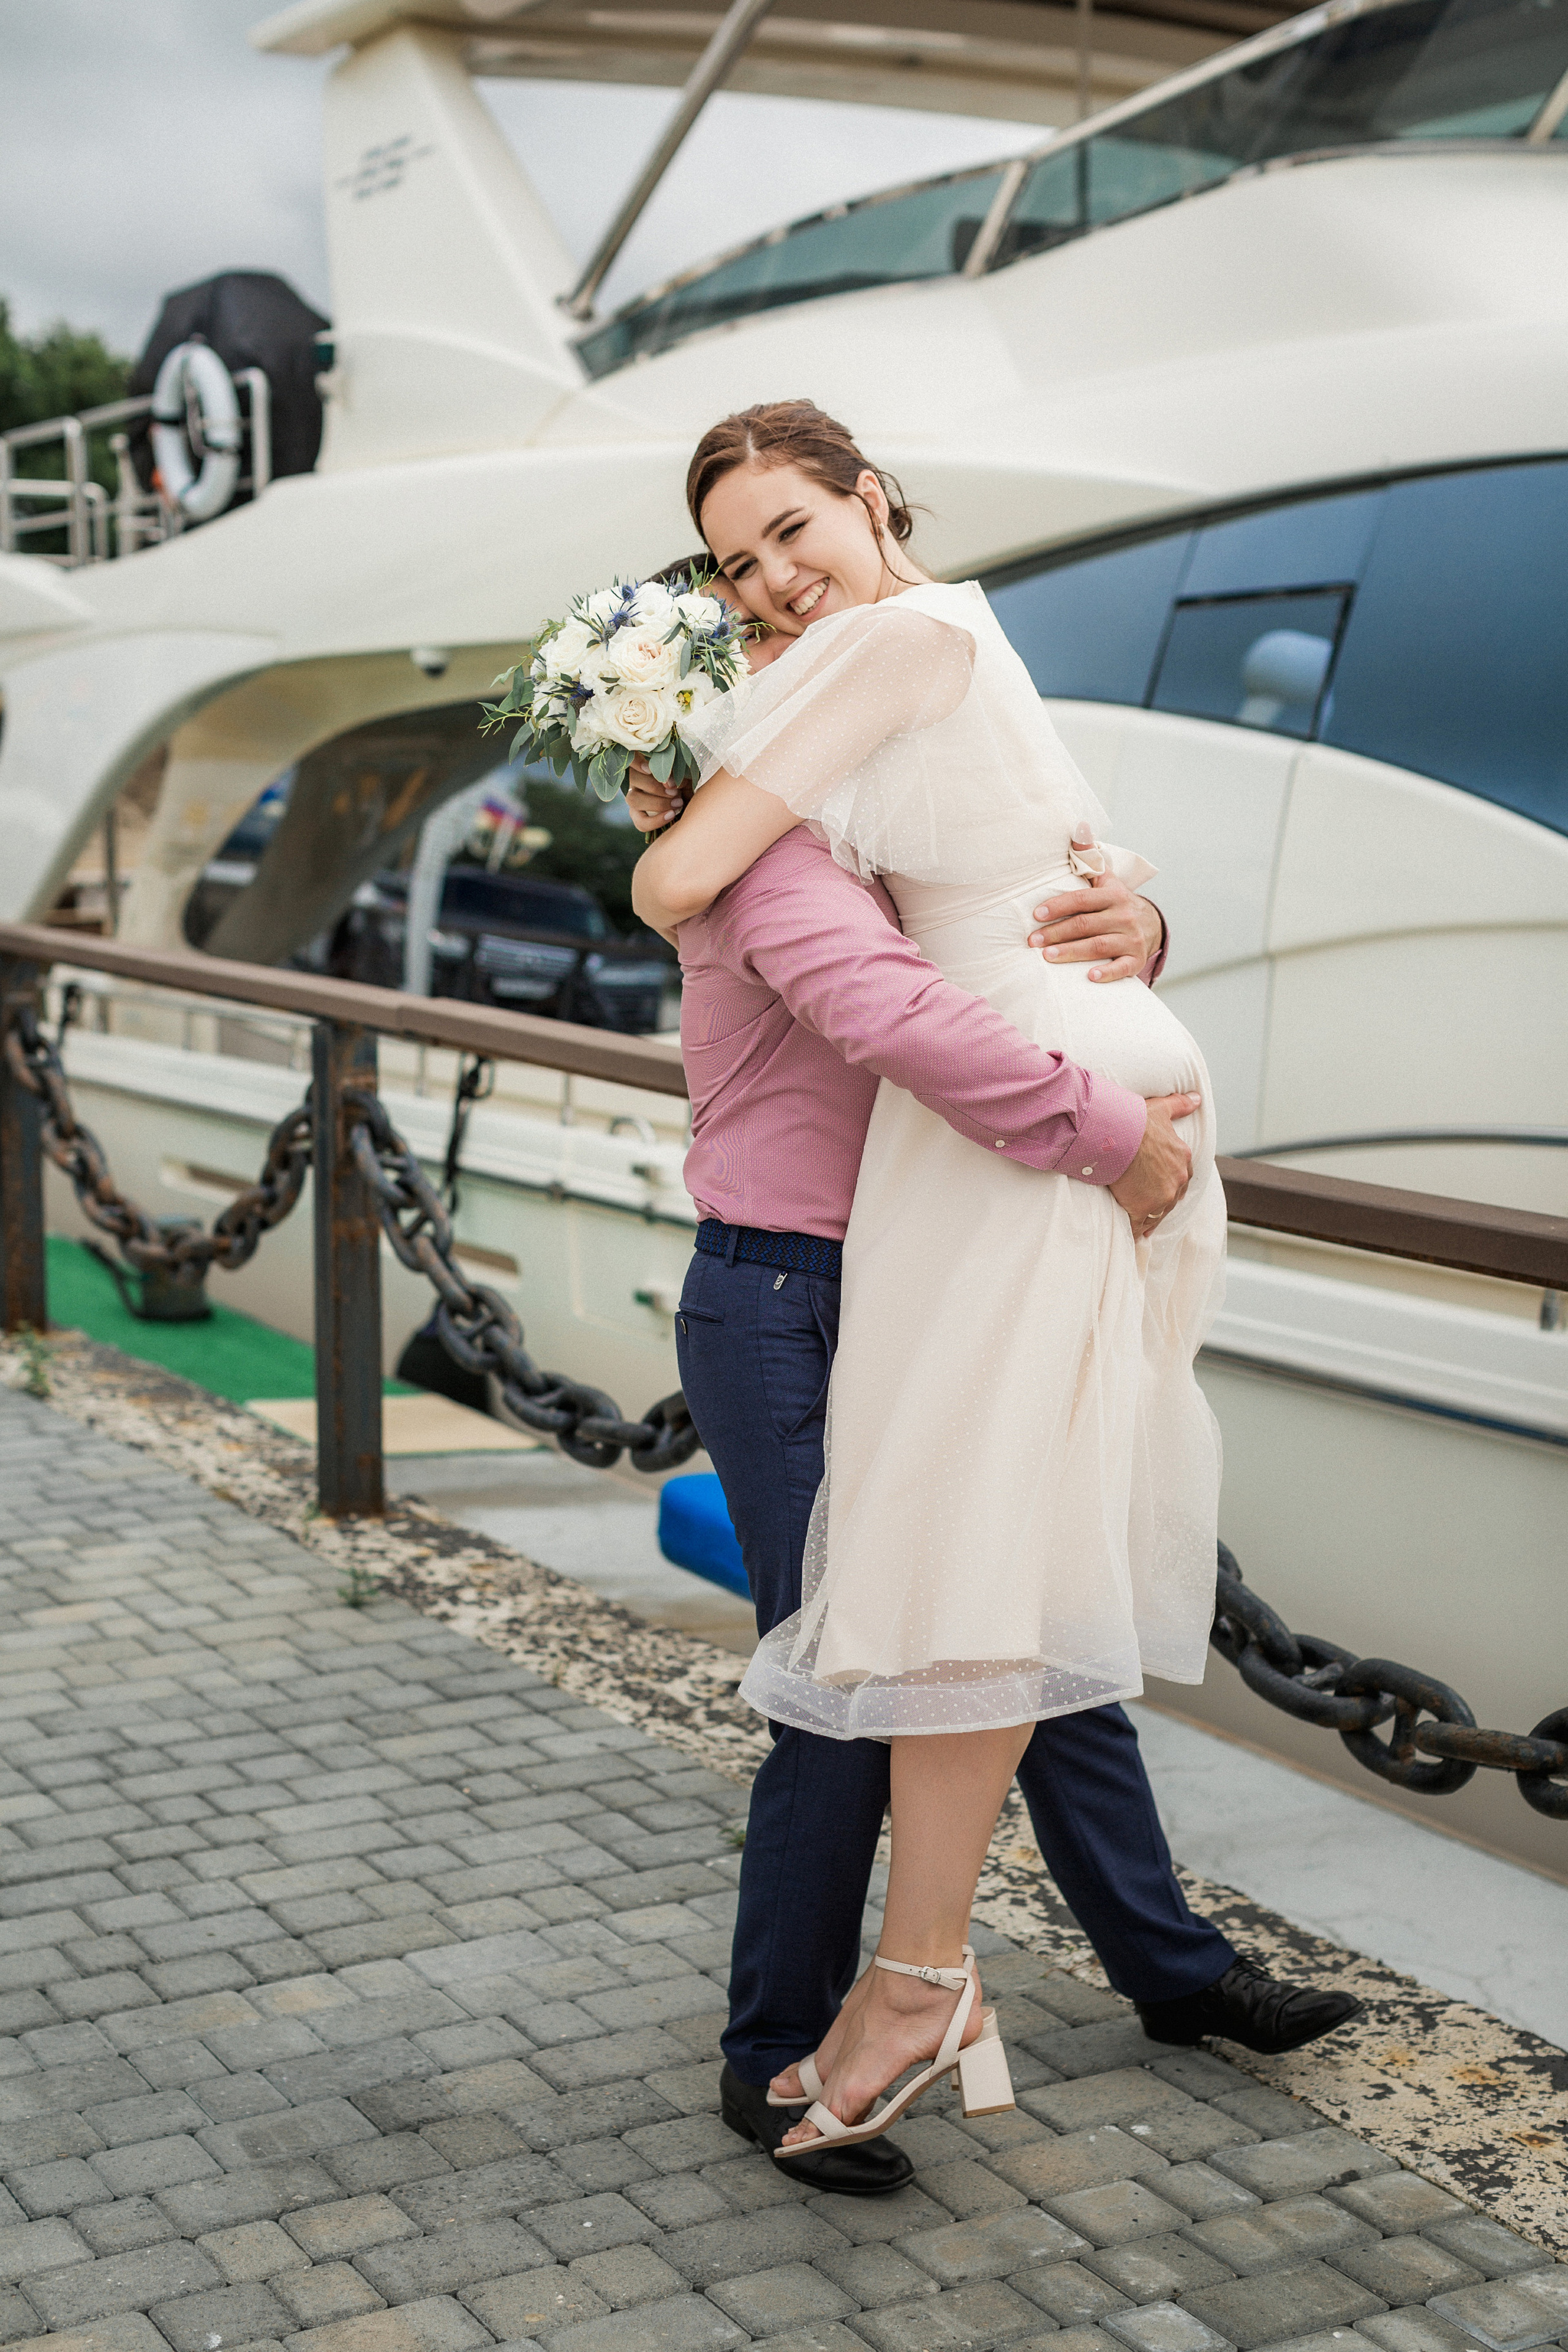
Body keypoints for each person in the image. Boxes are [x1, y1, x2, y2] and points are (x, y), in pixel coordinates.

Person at [623, 448, 1360, 2184]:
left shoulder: (889, 731)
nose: (773, 593)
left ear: (869, 502)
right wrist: (1121, 1149)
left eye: (790, 538)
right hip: (794, 1287)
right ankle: (774, 2051)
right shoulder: (771, 855)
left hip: (906, 1251)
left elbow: (1022, 895)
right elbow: (902, 1012)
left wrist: (1141, 922)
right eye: (737, 580)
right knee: (869, 1658)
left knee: (1001, 1613)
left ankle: (1165, 1971)